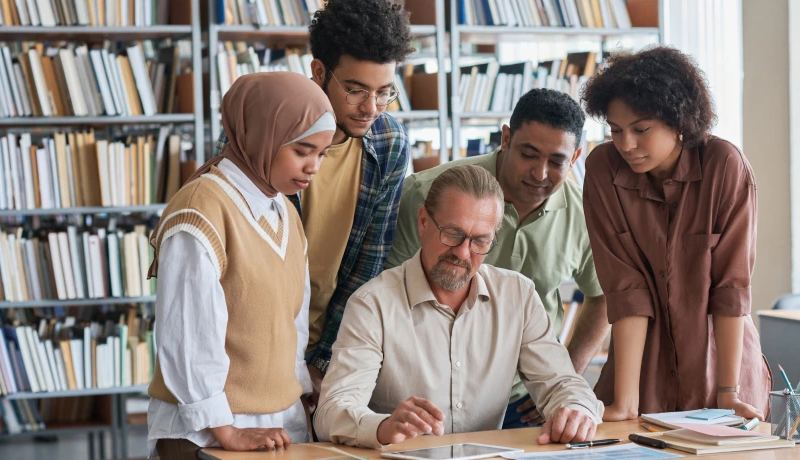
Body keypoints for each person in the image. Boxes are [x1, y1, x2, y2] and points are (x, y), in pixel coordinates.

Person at [314, 165, 604, 449]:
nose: (463, 253)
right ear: (423, 222)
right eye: (452, 234)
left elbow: (561, 382)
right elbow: (331, 412)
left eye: (480, 241)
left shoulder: (519, 295)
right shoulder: (372, 304)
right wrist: (381, 426)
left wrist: (576, 409)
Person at [213, 0, 414, 404]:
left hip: (330, 343)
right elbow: (235, 264)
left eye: (384, 92)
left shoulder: (390, 144)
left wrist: (321, 362)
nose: (370, 109)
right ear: (319, 72)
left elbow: (367, 269)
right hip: (246, 344)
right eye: (356, 90)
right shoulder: (263, 130)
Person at [386, 88, 608, 428]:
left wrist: (567, 374)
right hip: (430, 394)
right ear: (505, 138)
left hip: (523, 399)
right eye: (529, 154)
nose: (540, 173)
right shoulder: (426, 193)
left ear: (576, 157)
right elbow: (392, 294)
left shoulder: (587, 214)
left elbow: (601, 296)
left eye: (557, 161)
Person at [145, 72, 335, 459]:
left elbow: (290, 324)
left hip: (279, 426)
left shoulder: (285, 210)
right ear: (261, 135)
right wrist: (225, 429)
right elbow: (186, 336)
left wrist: (299, 392)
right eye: (302, 151)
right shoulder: (200, 210)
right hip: (207, 434)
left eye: (322, 153)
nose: (314, 166)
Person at [579, 46, 772, 422]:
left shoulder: (725, 166)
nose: (626, 145)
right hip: (640, 373)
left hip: (722, 366)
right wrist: (627, 401)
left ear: (679, 120)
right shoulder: (602, 170)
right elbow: (626, 288)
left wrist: (727, 392)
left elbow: (731, 289)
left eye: (641, 129)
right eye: (615, 130)